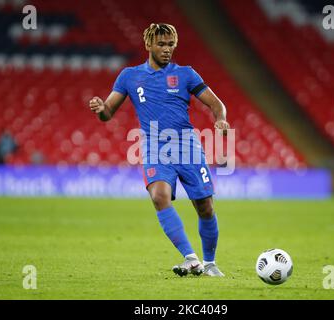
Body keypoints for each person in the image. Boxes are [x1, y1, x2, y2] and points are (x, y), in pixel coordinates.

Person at [89, 23, 230, 277]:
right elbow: (108, 112)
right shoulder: (129, 76)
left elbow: (216, 103)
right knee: (159, 196)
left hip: (187, 145)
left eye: (170, 45)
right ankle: (191, 258)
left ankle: (210, 263)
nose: (167, 50)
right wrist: (101, 110)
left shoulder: (186, 74)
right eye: (161, 44)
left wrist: (220, 119)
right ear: (148, 45)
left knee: (205, 207)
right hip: (155, 145)